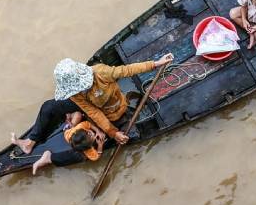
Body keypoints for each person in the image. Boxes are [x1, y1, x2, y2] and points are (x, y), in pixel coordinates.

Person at [11, 53, 174, 155]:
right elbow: (92, 111)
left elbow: (126, 70)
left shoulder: (100, 72)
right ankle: (30, 142)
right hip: (91, 107)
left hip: (108, 108)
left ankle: (76, 123)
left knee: (108, 132)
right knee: (48, 107)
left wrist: (155, 64)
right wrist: (113, 132)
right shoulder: (75, 95)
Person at [31, 115, 106, 175]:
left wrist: (98, 131)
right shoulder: (88, 150)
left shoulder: (80, 128)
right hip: (68, 135)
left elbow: (88, 124)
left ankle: (70, 122)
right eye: (91, 136)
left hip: (68, 133)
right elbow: (96, 157)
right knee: (80, 157)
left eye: (89, 133)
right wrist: (100, 145)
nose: (91, 133)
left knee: (76, 118)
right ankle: (48, 158)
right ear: (89, 147)